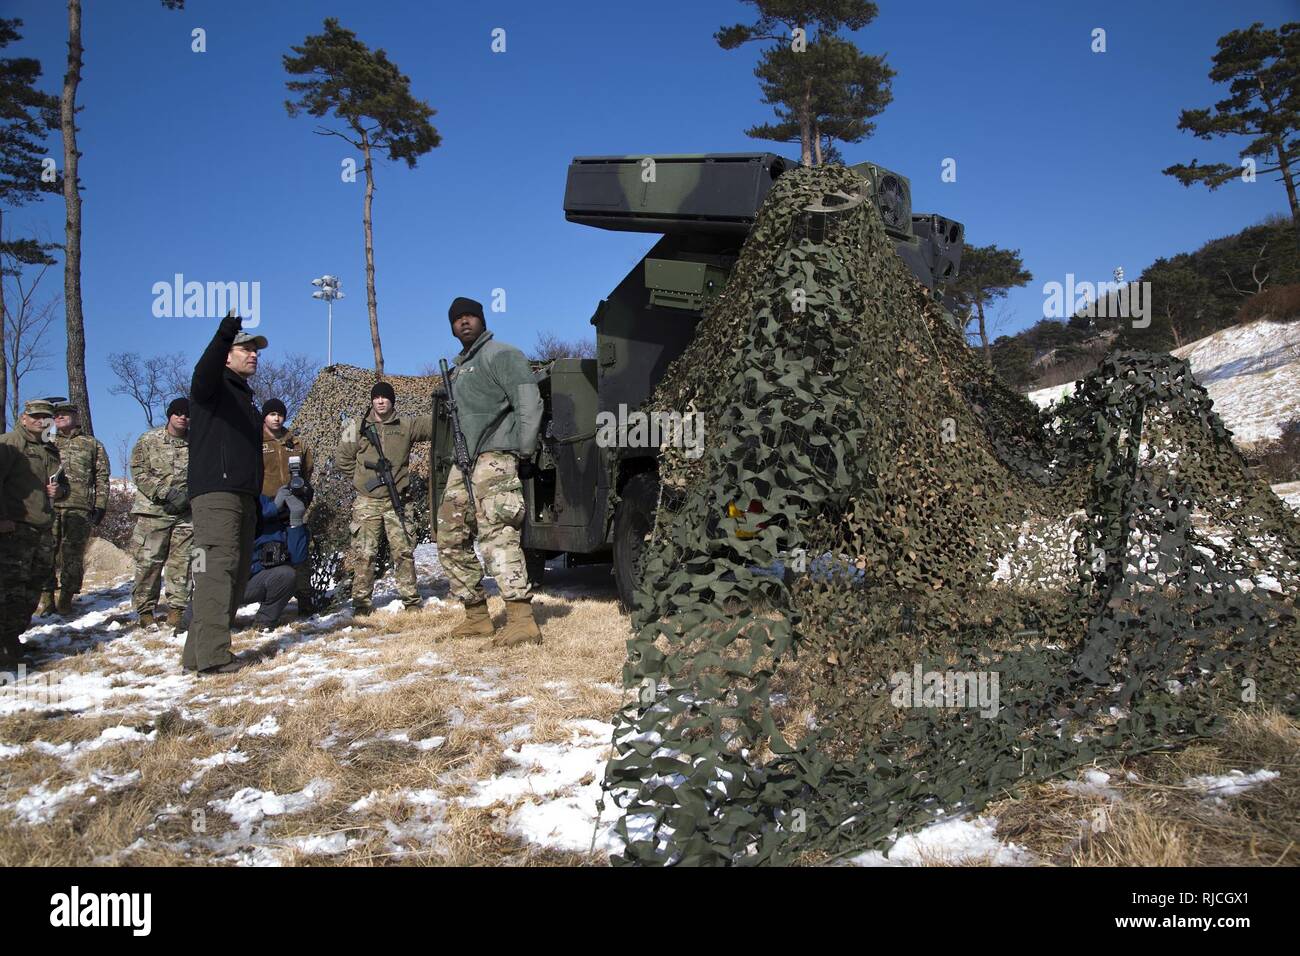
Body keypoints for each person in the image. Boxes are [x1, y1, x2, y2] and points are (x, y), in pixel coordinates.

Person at [436, 295, 544, 648]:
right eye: (457, 319)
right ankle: (477, 616)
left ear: (482, 320)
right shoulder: (460, 367)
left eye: (470, 316)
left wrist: (525, 450)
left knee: (498, 535)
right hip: (463, 463)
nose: (464, 322)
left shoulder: (502, 354)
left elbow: (529, 401)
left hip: (495, 457)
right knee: (449, 537)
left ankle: (521, 618)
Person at [183, 313, 266, 675]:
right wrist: (225, 332)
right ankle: (215, 657)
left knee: (229, 577)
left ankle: (196, 656)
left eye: (256, 350)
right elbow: (203, 370)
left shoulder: (246, 400)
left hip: (241, 498)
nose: (253, 354)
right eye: (245, 348)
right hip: (216, 496)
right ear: (227, 355)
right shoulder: (211, 387)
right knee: (216, 571)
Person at [337, 381, 430, 616]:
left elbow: (433, 424)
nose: (380, 401)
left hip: (398, 500)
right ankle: (361, 604)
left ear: (392, 401)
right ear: (371, 400)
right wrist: (362, 479)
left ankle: (411, 600)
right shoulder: (356, 426)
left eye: (385, 398)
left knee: (403, 551)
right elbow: (343, 459)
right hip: (367, 501)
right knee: (364, 554)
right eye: (376, 397)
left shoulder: (406, 425)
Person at [180, 483, 308, 633]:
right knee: (191, 628)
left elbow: (298, 558)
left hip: (252, 583)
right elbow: (239, 527)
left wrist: (296, 520)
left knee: (286, 575)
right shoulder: (238, 503)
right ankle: (183, 629)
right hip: (221, 582)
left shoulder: (280, 518)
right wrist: (272, 509)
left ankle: (264, 624)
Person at [0, 399, 68, 665]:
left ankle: (12, 640)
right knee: (9, 590)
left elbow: (63, 485)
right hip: (14, 529)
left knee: (31, 590)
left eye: (46, 418)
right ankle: (4, 649)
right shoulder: (9, 444)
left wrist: (60, 491)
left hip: (42, 529)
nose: (42, 421)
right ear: (24, 418)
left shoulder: (50, 450)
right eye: (36, 417)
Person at [37, 401, 110, 617]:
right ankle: (46, 598)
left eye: (65, 414)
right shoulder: (46, 442)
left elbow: (102, 478)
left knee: (73, 556)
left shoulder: (92, 444)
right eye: (56, 414)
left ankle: (66, 598)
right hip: (47, 506)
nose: (59, 417)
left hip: (79, 507)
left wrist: (100, 505)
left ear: (76, 417)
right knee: (45, 553)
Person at [128, 398, 192, 629]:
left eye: (186, 414)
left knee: (182, 562)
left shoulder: (197, 442)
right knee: (149, 561)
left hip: (185, 513)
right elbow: (138, 470)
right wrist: (164, 493)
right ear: (169, 416)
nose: (182, 417)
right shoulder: (149, 440)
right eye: (177, 413)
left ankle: (177, 609)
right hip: (154, 511)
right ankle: (145, 611)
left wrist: (187, 497)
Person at [260, 398, 316, 616]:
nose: (276, 418)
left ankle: (304, 597)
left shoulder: (297, 443)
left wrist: (303, 494)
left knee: (299, 551)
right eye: (272, 413)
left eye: (280, 414)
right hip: (267, 506)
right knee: (268, 551)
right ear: (264, 416)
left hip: (293, 506)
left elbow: (307, 472)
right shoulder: (255, 443)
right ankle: (269, 598)